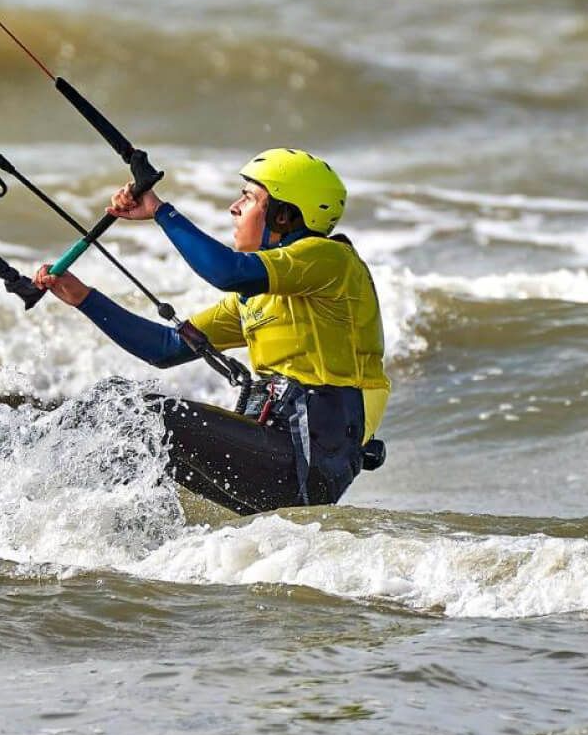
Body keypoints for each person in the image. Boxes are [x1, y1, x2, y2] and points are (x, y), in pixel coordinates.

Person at [34, 148, 389, 515]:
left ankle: (38, 509)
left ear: (283, 216)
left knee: (135, 411)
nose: (234, 208)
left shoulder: (331, 261)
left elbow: (228, 272)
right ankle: (58, 519)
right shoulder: (257, 301)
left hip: (306, 462)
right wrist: (83, 298)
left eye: (249, 198)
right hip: (281, 458)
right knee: (122, 417)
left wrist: (160, 211)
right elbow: (165, 347)